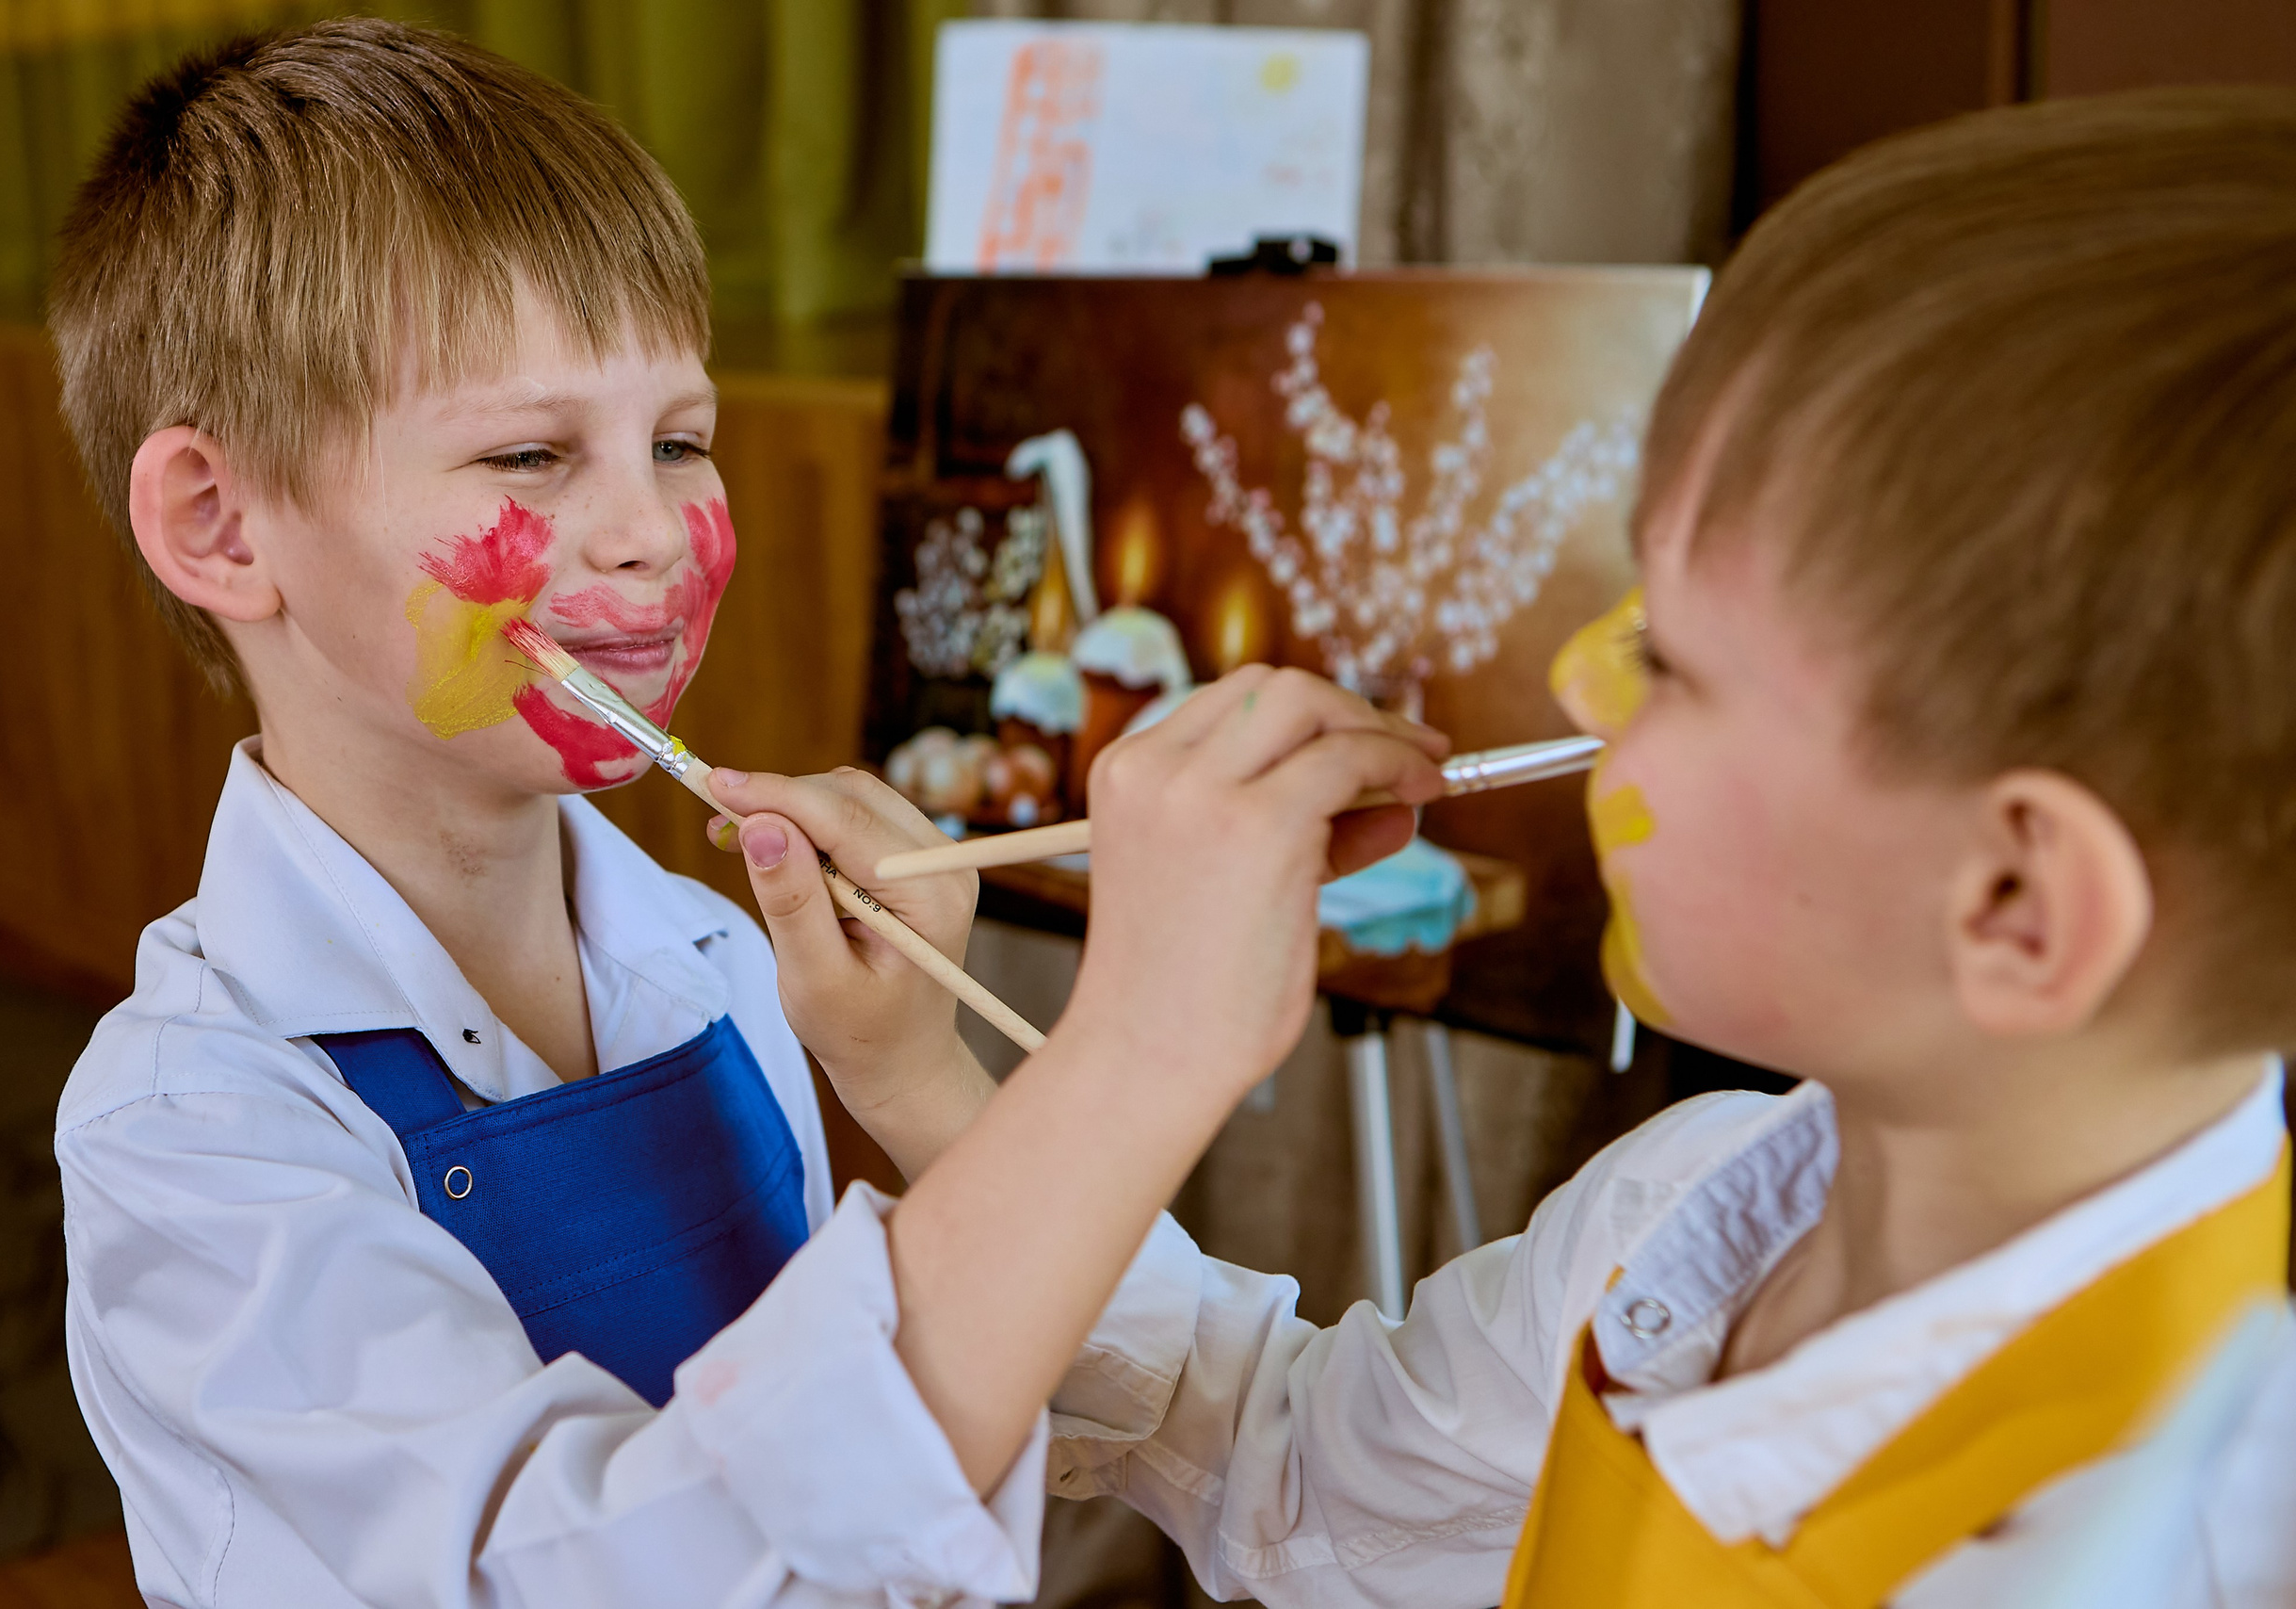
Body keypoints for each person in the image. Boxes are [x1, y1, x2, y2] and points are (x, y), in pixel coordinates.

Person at [729, 88, 2296, 1606]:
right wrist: (929, 1074)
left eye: (1671, 660)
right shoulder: (1694, 1215)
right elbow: (1290, 1474)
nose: (1575, 682)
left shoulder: (2179, 1540)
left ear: (2017, 903)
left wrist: (1147, 1041)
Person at [48, 18, 1445, 1606]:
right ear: (221, 525)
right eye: (529, 451)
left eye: (681, 441)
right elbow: (610, 1568)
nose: (651, 528)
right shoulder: (190, 1126)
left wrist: (915, 1070)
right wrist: (1131, 1055)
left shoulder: (716, 955)